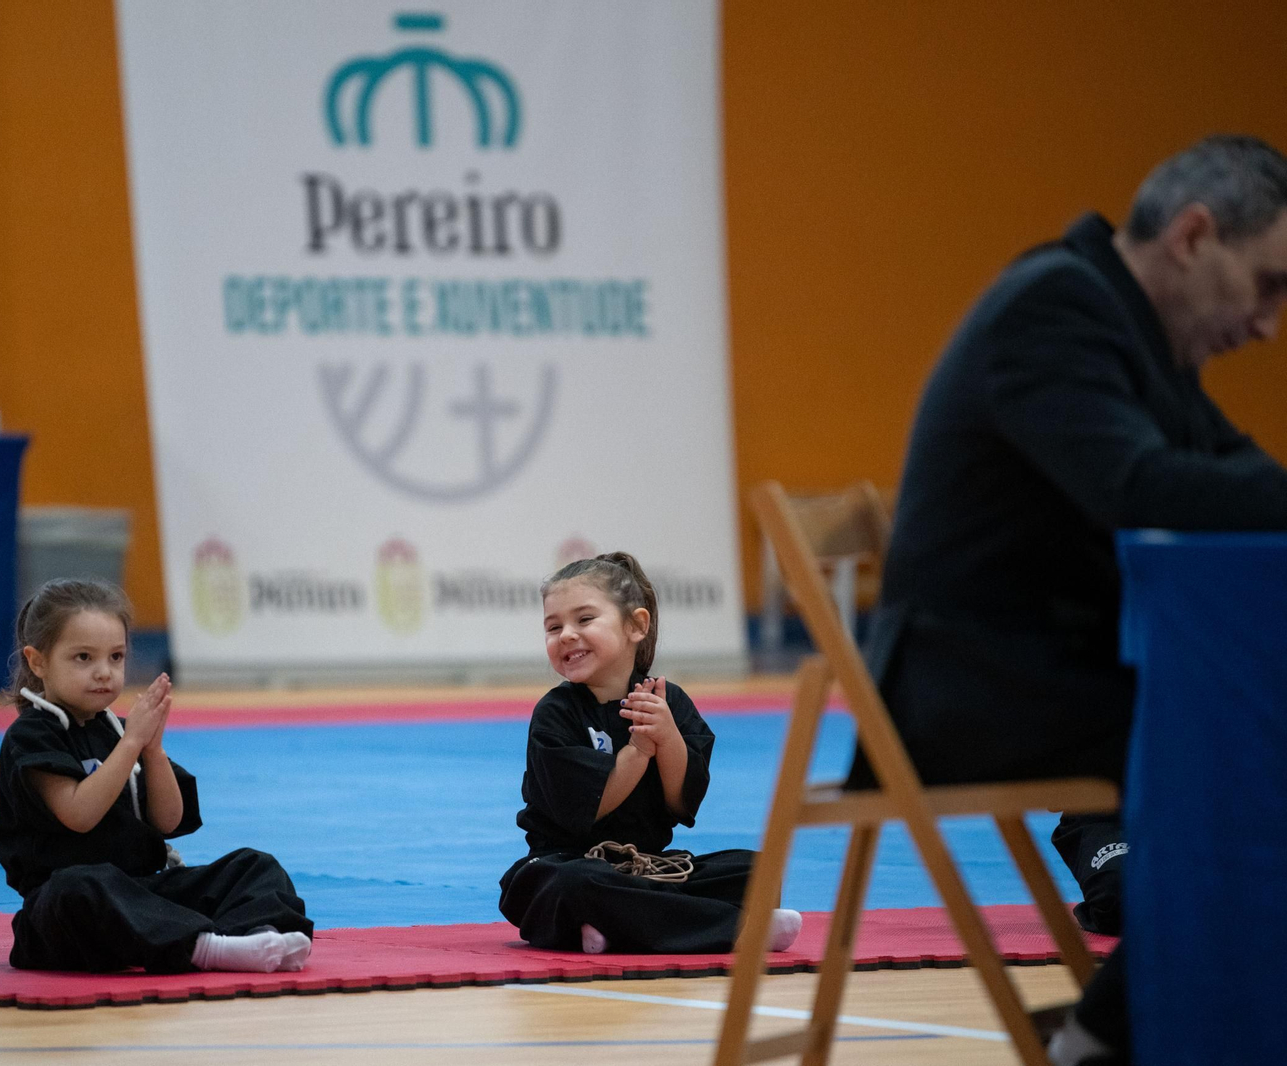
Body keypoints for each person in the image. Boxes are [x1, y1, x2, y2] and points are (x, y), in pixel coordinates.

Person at [843, 135, 1287, 1065]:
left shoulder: (1125, 324)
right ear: (1195, 237)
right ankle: (1109, 1037)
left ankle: (1129, 1032)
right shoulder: (1055, 309)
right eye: (1269, 284)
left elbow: (1233, 470)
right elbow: (1144, 488)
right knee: (1258, 743)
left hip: (1052, 667)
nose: (1267, 325)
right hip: (968, 690)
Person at [0, 578, 313, 974]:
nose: (103, 672)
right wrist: (131, 746)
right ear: (38, 662)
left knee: (255, 866)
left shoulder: (120, 731)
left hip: (144, 892)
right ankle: (203, 948)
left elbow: (168, 820)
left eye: (116, 657)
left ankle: (248, 935)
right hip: (67, 917)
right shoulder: (32, 735)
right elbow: (79, 814)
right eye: (83, 658)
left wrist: (153, 751)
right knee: (77, 889)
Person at [499, 552, 804, 955]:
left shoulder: (668, 701)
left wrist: (668, 738)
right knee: (574, 884)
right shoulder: (555, 714)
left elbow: (682, 803)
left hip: (648, 868)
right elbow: (592, 808)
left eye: (584, 620)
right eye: (553, 627)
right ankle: (738, 927)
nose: (567, 635)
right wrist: (639, 749)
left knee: (758, 870)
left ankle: (613, 928)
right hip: (568, 863)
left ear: (635, 626)